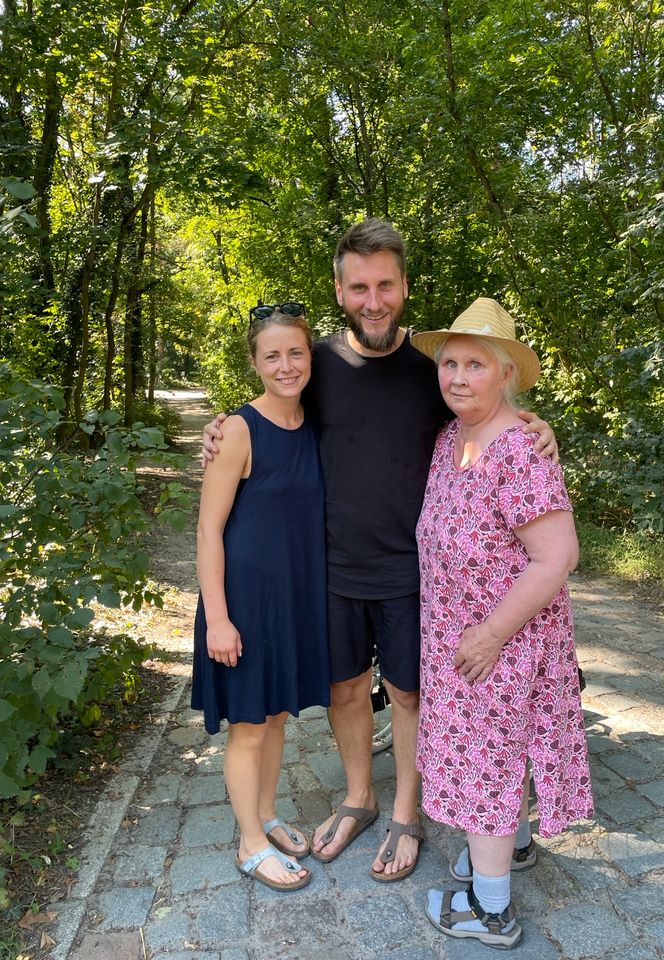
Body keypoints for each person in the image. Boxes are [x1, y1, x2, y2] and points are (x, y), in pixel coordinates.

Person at [201, 219, 558, 881]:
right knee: (346, 691)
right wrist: (220, 429)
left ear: (403, 287)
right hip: (329, 568)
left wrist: (536, 425)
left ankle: (407, 812)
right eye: (359, 286)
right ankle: (359, 797)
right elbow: (268, 407)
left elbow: (484, 408)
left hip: (413, 569)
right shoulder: (318, 366)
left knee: (409, 694)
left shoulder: (432, 368)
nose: (373, 300)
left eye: (385, 285)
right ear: (339, 290)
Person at [410, 298, 593, 948]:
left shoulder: (519, 449)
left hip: (500, 644)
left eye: (475, 364)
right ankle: (509, 845)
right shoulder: (450, 438)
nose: (457, 376)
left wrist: (490, 634)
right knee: (491, 755)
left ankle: (490, 910)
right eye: (449, 362)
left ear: (506, 372)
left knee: (487, 760)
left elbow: (557, 557)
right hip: (456, 640)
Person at [192, 304, 330, 892]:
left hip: (292, 598)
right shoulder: (240, 430)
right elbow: (207, 530)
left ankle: (267, 815)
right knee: (249, 724)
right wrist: (218, 620)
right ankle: (249, 843)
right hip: (243, 603)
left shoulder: (316, 423)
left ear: (310, 356)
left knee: (275, 717)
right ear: (254, 362)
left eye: (295, 352)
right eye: (271, 355)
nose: (285, 364)